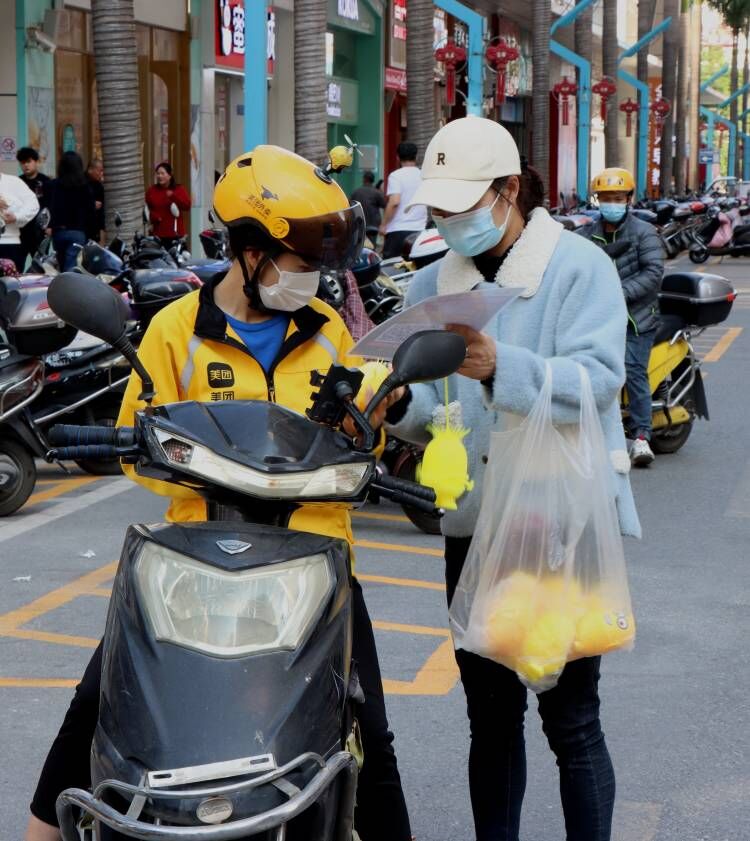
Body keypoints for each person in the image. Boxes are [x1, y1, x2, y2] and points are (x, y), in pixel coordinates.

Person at [24, 145, 412, 841]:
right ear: (250, 252)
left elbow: (362, 445)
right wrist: (164, 447)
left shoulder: (327, 334)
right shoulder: (176, 332)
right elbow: (136, 443)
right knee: (97, 701)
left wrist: (374, 424)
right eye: (299, 261)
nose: (311, 278)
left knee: (369, 730)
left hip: (313, 562)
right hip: (193, 568)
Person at [385, 117, 641, 841]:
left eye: (462, 204)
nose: (448, 220)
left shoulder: (579, 267)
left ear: (507, 190)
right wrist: (403, 403)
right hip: (475, 527)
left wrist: (504, 368)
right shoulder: (433, 283)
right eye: (438, 207)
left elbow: (598, 382)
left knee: (572, 719)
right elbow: (437, 409)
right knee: (490, 720)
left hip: (562, 523)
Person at [578, 168, 664, 467]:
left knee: (631, 369)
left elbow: (653, 273)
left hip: (636, 317)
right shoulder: (587, 233)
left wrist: (616, 292)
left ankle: (641, 436)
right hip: (598, 317)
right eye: (605, 198)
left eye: (617, 197)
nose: (611, 203)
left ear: (628, 199)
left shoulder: (644, 232)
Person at [47, 151, 97, 272]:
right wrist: (92, 233)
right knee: (72, 264)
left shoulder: (53, 185)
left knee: (61, 261)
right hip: (78, 231)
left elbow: (50, 208)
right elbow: (91, 212)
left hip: (58, 231)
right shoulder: (85, 187)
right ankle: (67, 288)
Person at [379, 142, 427, 258]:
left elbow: (395, 202)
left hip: (398, 230)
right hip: (419, 230)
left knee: (392, 269)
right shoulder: (424, 175)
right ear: (416, 157)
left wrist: (383, 224)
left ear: (398, 157)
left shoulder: (396, 176)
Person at [16, 147, 51, 266]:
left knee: (41, 266)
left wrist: (50, 226)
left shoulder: (46, 182)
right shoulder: (17, 182)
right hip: (21, 231)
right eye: (22, 162)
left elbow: (50, 205)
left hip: (40, 231)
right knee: (17, 265)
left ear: (36, 162)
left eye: (29, 161)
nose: (26, 165)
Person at [145, 161, 191, 250]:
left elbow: (187, 206)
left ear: (169, 175)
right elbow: (147, 209)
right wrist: (154, 217)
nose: (159, 176)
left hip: (175, 234)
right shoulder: (152, 191)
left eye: (162, 173)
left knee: (178, 261)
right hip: (157, 234)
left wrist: (173, 196)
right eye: (158, 174)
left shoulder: (178, 189)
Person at [0, 170, 39, 272]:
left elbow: (33, 204)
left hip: (10, 242)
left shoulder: (14, 182)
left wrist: (17, 216)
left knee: (11, 285)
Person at [351, 170, 386, 237]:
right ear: (373, 180)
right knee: (371, 246)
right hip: (374, 226)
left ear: (364, 179)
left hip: (359, 224)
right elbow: (385, 206)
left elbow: (350, 206)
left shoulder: (356, 192)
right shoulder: (377, 193)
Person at [86, 158, 105, 243]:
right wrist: (91, 204)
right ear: (90, 170)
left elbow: (102, 209)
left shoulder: (99, 186)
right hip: (83, 228)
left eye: (102, 171)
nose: (101, 174)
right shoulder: (81, 183)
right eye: (99, 171)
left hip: (95, 228)